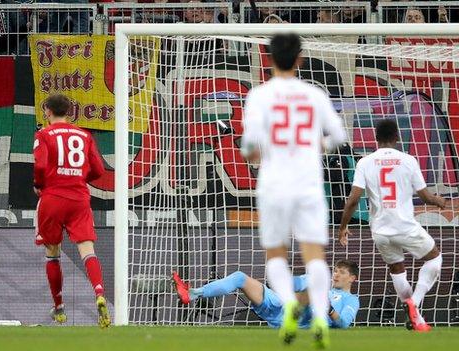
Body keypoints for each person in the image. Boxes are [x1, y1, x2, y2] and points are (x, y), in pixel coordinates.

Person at [240, 33, 346, 348]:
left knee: (276, 253)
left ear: (269, 59)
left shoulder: (259, 96)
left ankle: (288, 304)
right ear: (300, 59)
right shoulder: (314, 95)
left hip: (273, 184)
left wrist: (255, 154)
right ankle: (318, 318)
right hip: (308, 184)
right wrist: (319, 145)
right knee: (314, 255)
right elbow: (340, 135)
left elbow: (248, 147)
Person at [338, 119, 445, 332]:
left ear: (376, 139)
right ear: (397, 138)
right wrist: (438, 201)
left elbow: (353, 199)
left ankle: (417, 319)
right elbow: (424, 196)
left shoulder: (365, 163)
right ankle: (415, 300)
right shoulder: (408, 160)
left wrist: (342, 227)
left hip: (380, 231)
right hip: (405, 226)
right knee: (435, 258)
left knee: (397, 268)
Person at [32, 94, 109, 327]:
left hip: (53, 197)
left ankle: (59, 307)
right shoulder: (84, 135)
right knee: (87, 250)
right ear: (69, 112)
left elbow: (41, 165)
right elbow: (98, 169)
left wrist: (38, 184)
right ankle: (99, 293)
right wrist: (79, 177)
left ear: (47, 111)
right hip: (79, 198)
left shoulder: (43, 135)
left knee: (52, 253)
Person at [172, 260, 360, 329]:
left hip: (301, 320)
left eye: (341, 273)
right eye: (335, 270)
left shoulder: (351, 300)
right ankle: (193, 293)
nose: (335, 275)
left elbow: (343, 324)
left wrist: (327, 308)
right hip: (280, 308)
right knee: (239, 277)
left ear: (352, 278)